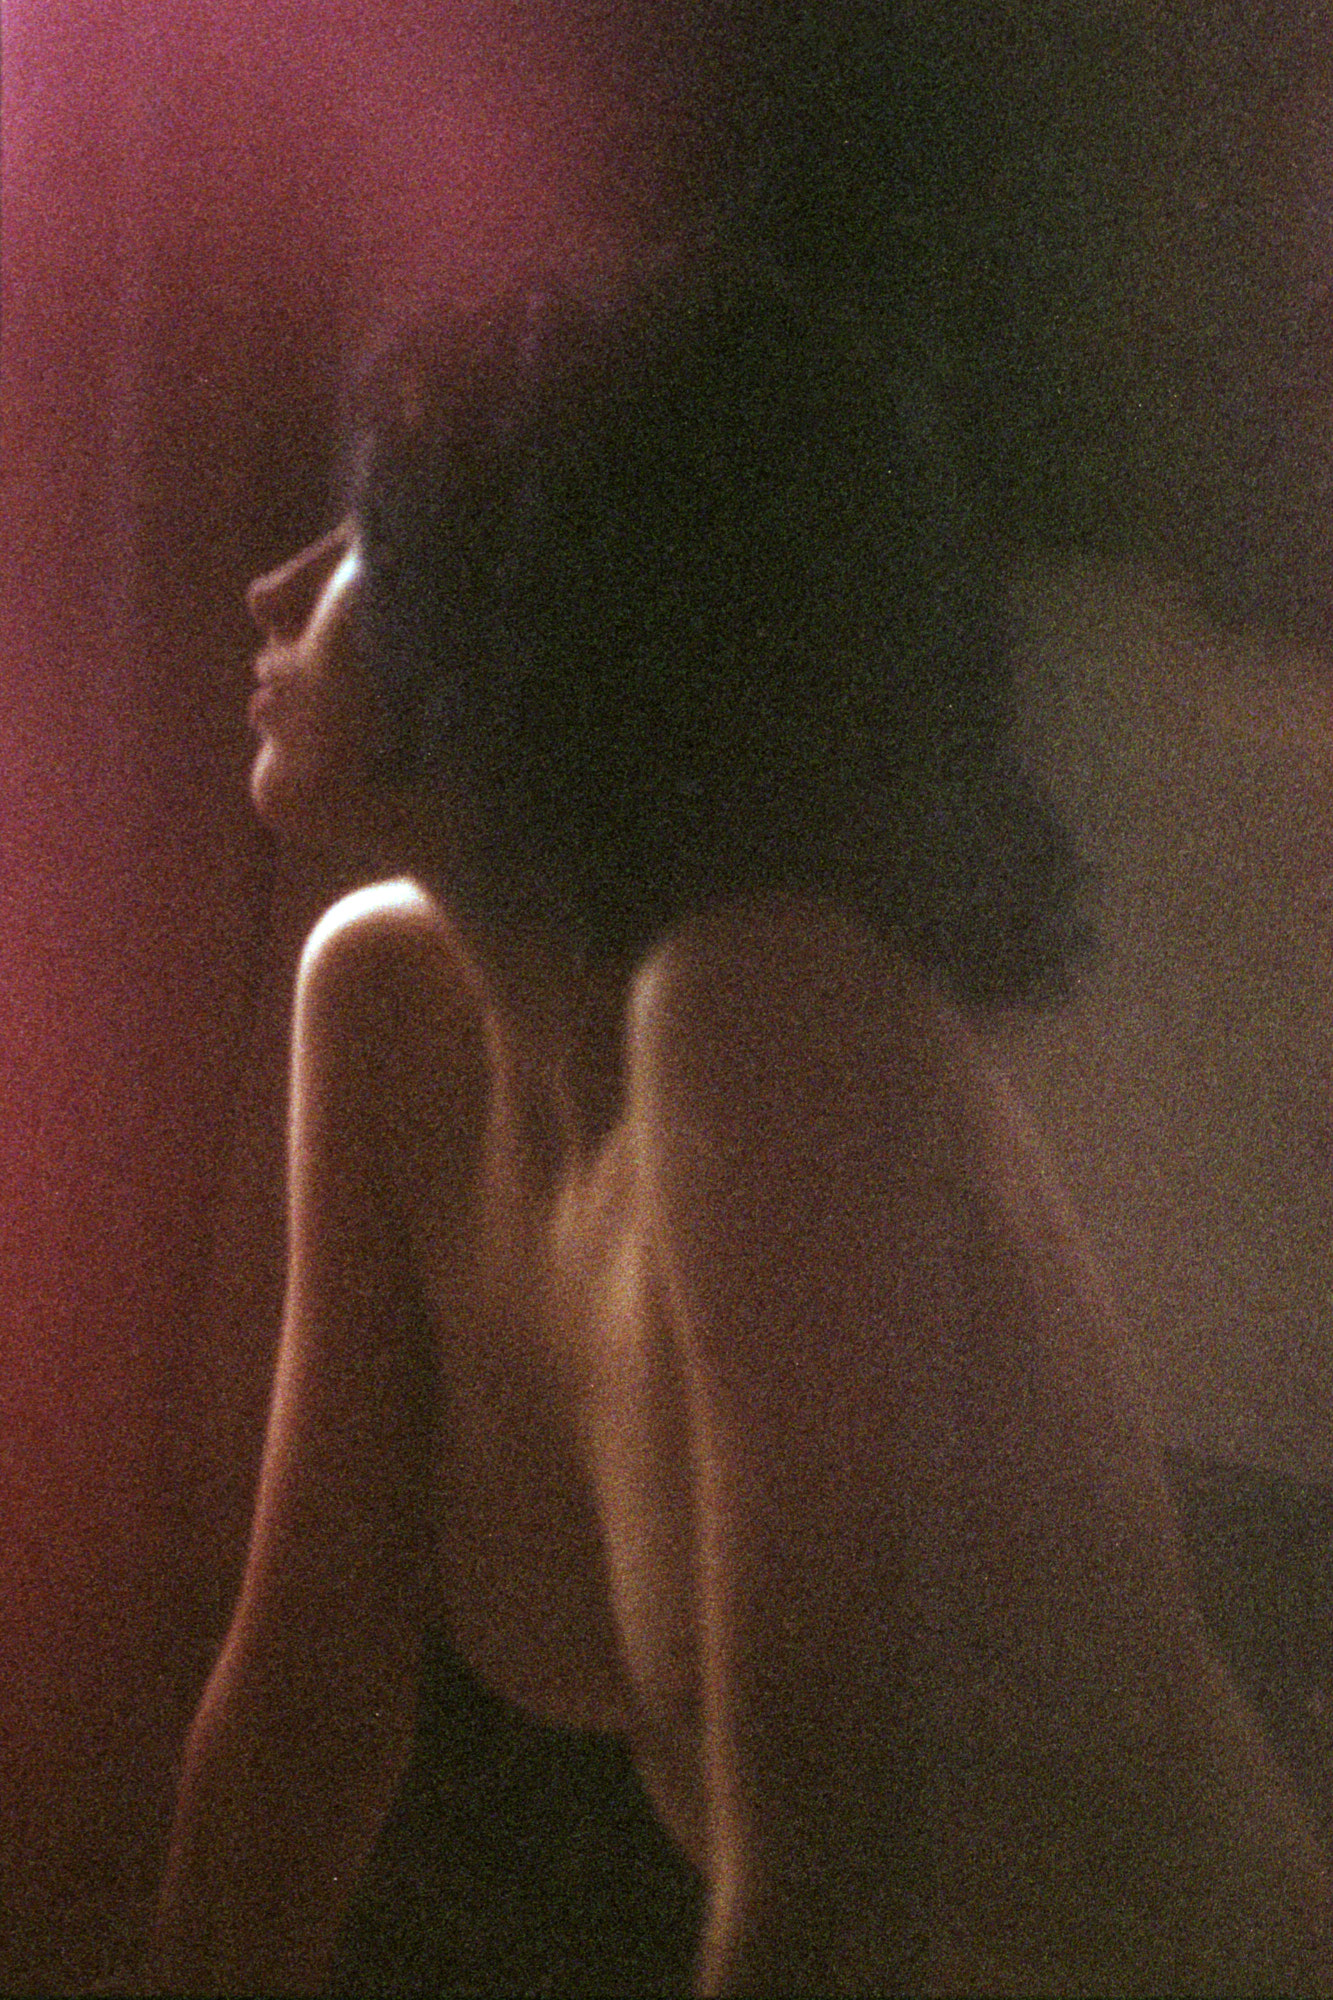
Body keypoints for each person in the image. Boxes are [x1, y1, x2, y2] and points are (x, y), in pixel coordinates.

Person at [152, 6, 1333, 1991]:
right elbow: (302, 1712)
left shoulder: (757, 1009)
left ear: (543, 598)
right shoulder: (386, 995)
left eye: (367, 527)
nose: (278, 587)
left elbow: (837, 1899)